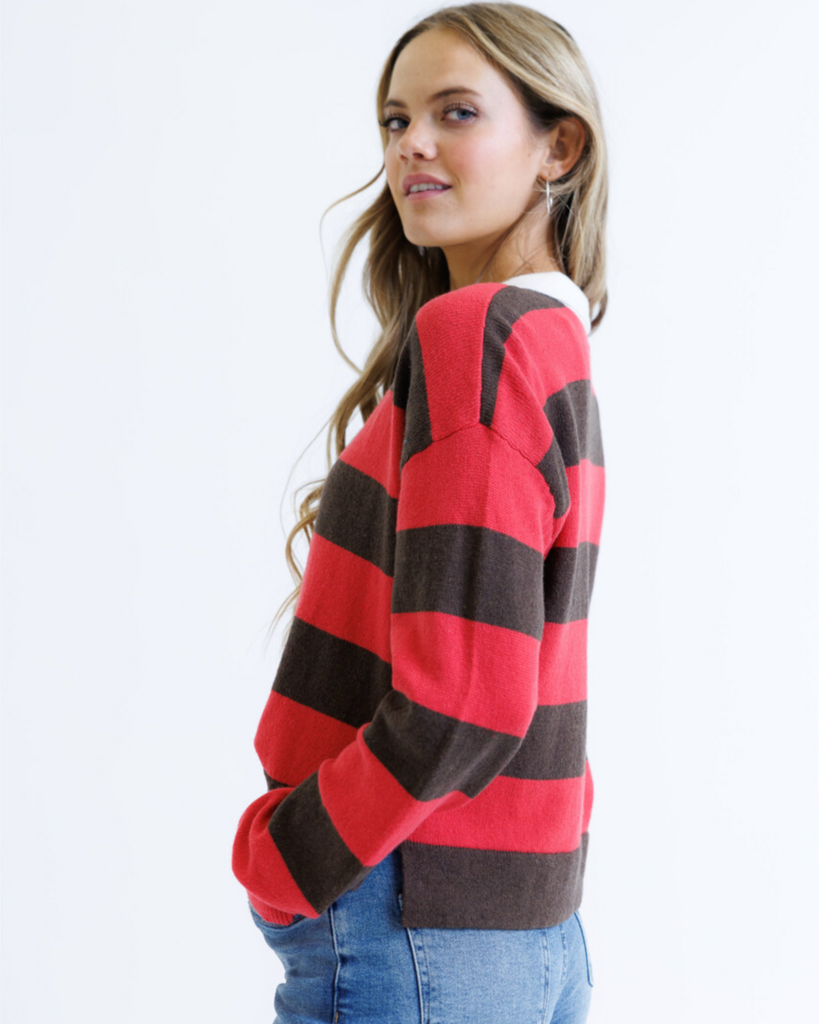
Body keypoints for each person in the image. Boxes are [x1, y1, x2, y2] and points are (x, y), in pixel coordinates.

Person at [232, 4, 608, 1022]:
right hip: (518, 930)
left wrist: (293, 855)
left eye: (455, 112)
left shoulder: (481, 333)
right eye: (395, 121)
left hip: (412, 919)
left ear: (557, 146)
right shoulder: (550, 338)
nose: (414, 146)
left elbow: (471, 696)